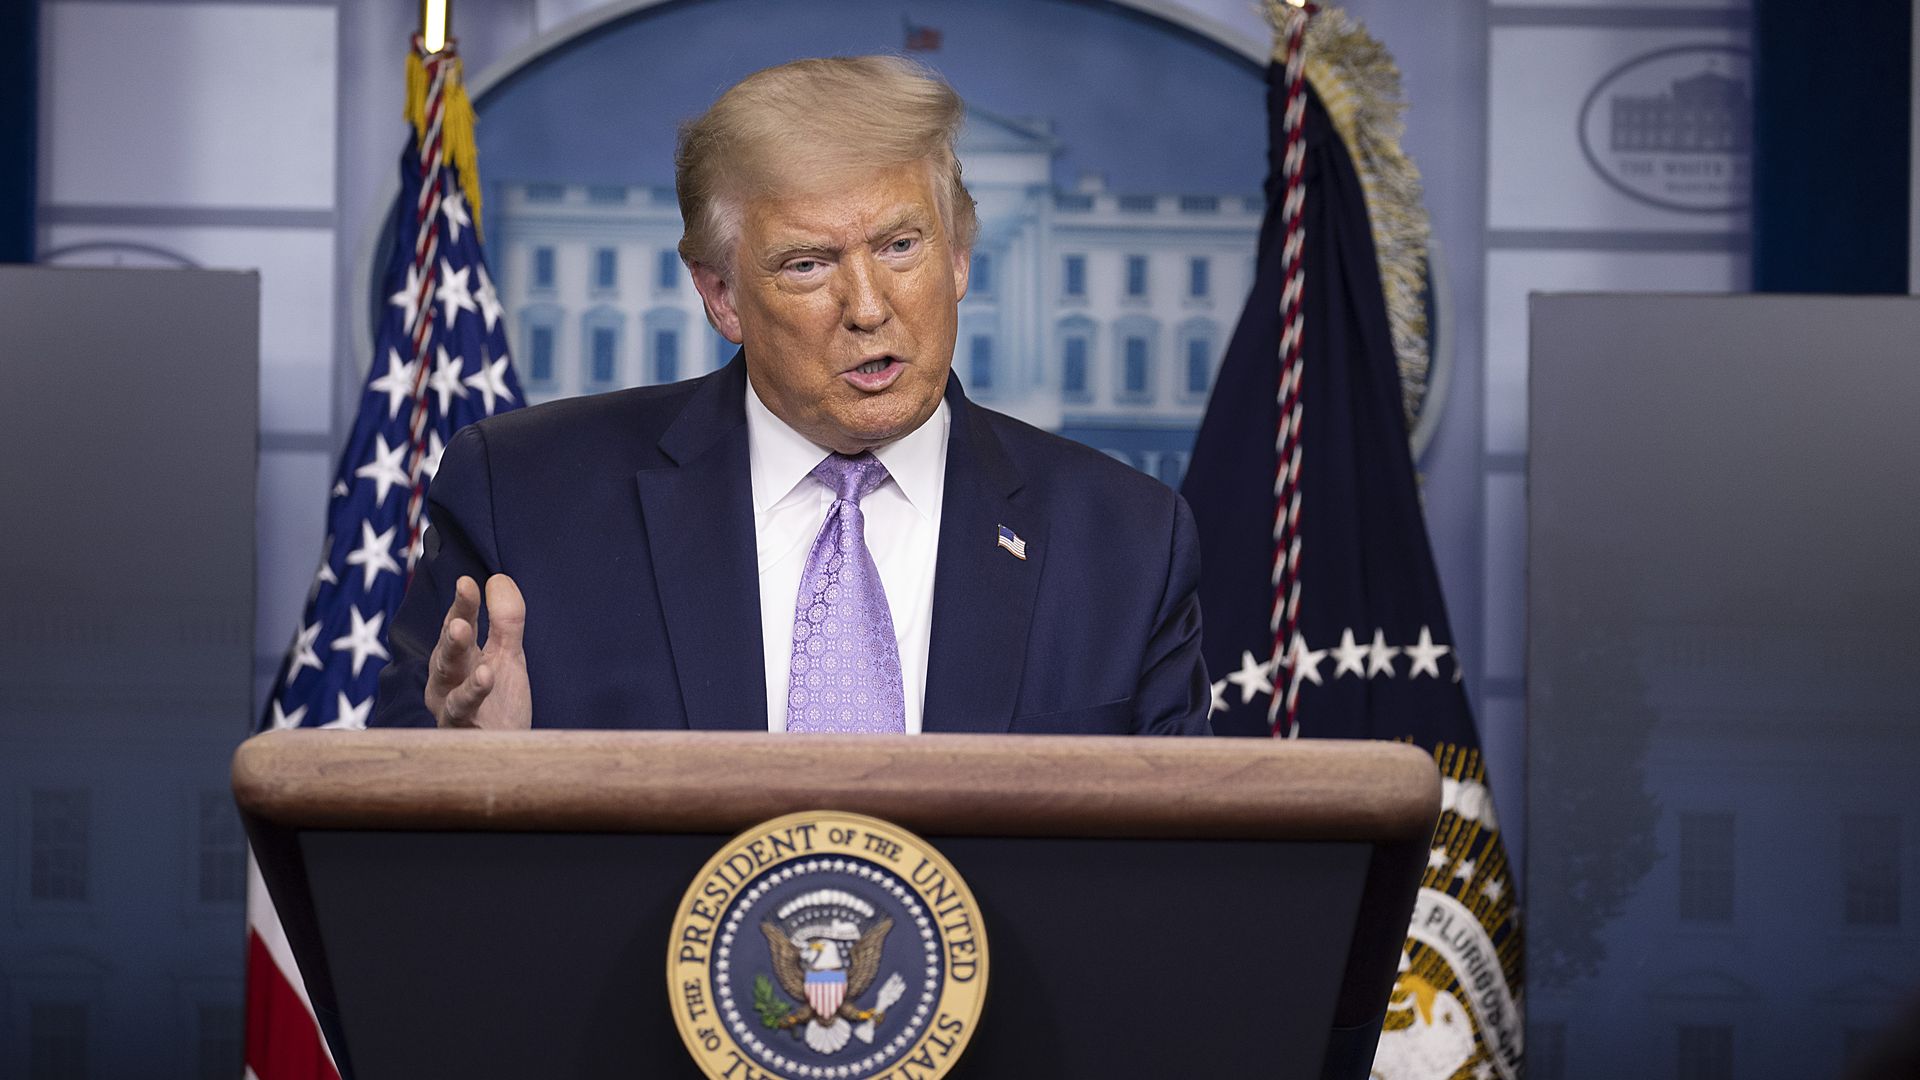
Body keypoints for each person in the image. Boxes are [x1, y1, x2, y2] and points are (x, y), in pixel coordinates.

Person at [372, 56, 1210, 735]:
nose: (870, 307)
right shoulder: (524, 498)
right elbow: (384, 855)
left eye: (901, 245)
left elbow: (1179, 885)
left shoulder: (1127, 541)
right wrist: (474, 776)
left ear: (959, 257)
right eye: (808, 264)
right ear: (722, 295)